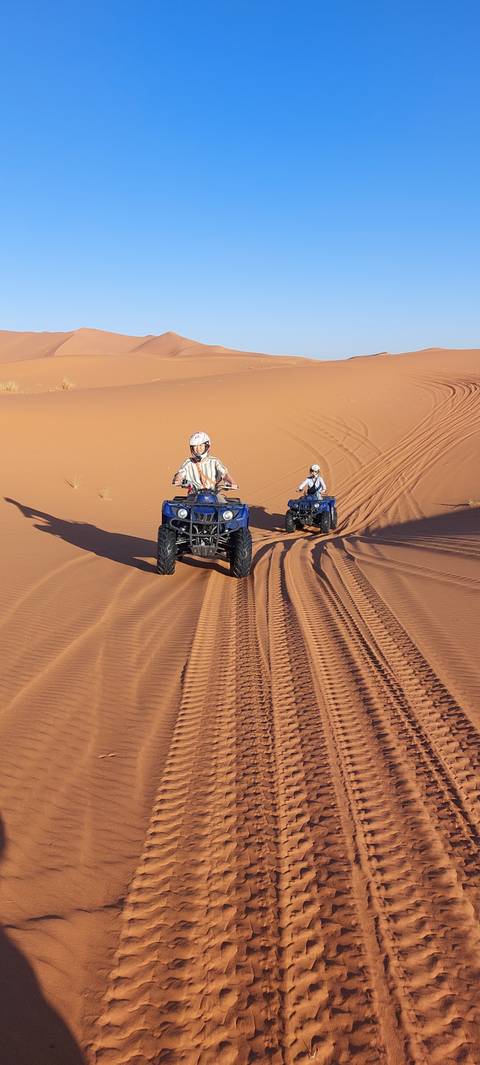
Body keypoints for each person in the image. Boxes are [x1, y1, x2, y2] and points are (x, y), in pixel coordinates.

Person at [172, 431, 237, 493]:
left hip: (213, 495)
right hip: (194, 496)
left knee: (223, 502)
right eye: (195, 446)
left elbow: (225, 474)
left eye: (201, 445)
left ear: (206, 446)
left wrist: (232, 482)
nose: (198, 449)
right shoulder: (189, 463)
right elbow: (181, 473)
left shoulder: (214, 461)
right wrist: (178, 480)